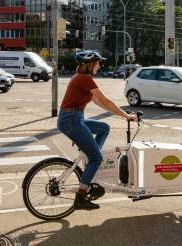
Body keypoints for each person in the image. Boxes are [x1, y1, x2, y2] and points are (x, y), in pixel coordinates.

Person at [57, 50, 138, 210]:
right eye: (98, 63)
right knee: (96, 158)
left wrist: (121, 115)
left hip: (73, 119)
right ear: (90, 64)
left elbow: (98, 102)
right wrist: (126, 116)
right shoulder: (84, 79)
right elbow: (106, 101)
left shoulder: (81, 77)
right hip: (72, 120)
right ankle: (80, 197)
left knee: (103, 128)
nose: (100, 66)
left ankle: (91, 157)